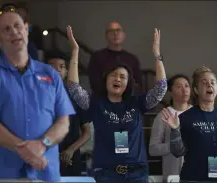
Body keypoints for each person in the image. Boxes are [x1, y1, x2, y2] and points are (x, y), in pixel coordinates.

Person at [66, 25, 167, 183]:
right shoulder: (96, 103)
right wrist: (75, 52)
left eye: (122, 76)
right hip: (106, 175)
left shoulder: (137, 102)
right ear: (105, 79)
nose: (118, 79)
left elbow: (161, 89)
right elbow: (73, 88)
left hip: (137, 175)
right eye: (113, 75)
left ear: (128, 83)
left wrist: (157, 55)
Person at [0, 5, 75, 181]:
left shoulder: (51, 74)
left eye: (17, 26)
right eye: (6, 29)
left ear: (26, 29)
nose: (14, 32)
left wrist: (41, 144)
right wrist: (24, 150)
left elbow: (63, 122)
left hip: (46, 172)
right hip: (4, 175)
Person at [45, 51, 92, 176]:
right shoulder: (37, 97)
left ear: (66, 71)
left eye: (61, 66)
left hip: (70, 160)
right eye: (51, 66)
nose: (56, 70)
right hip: (44, 158)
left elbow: (87, 133)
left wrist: (71, 150)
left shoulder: (75, 97)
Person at [149, 74, 192, 182]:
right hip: (173, 176)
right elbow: (153, 149)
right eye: (179, 86)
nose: (184, 90)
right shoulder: (163, 115)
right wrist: (175, 145)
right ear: (170, 92)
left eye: (187, 86)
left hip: (196, 175)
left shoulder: (197, 114)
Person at [87, 21, 143, 95]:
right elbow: (95, 83)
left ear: (124, 35)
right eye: (111, 31)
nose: (115, 33)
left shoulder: (132, 59)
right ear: (106, 36)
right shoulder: (97, 57)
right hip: (104, 101)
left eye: (118, 30)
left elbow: (139, 84)